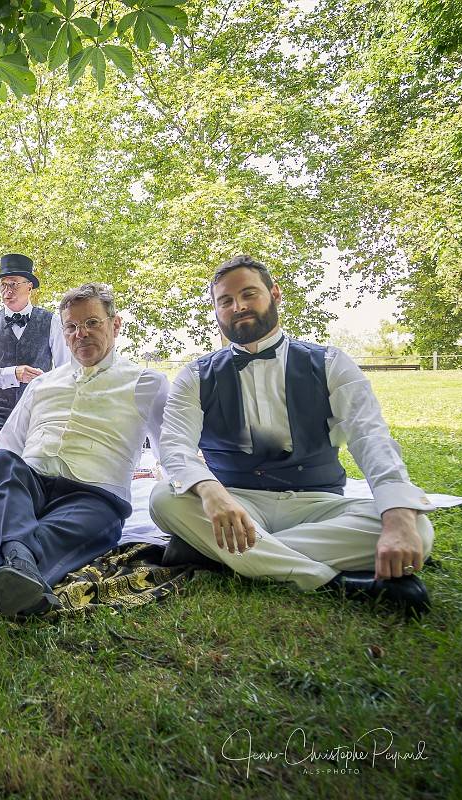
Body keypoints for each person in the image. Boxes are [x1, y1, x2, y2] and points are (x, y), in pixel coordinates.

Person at [149, 255, 435, 615]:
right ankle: (331, 582)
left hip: (317, 505)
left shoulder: (330, 363)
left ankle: (216, 554)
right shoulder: (194, 376)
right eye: (225, 301)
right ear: (217, 311)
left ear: (275, 294)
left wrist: (397, 518)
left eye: (248, 294)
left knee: (417, 528)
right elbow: (175, 445)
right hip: (234, 502)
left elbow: (370, 437)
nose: (238, 307)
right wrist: (211, 492)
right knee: (164, 498)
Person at [0, 283, 169, 622]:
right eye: (71, 327)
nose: (80, 334)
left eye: (92, 323)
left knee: (53, 535)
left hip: (93, 496)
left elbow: (171, 451)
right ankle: (19, 568)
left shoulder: (147, 383)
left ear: (115, 325)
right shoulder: (42, 384)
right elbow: (9, 446)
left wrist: (190, 501)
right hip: (28, 492)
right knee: (1, 460)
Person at [0, 254, 68, 431]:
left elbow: (65, 369)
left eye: (14, 284)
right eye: (3, 284)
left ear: (29, 287)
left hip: (39, 409)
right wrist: (13, 374)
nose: (7, 290)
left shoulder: (52, 321)